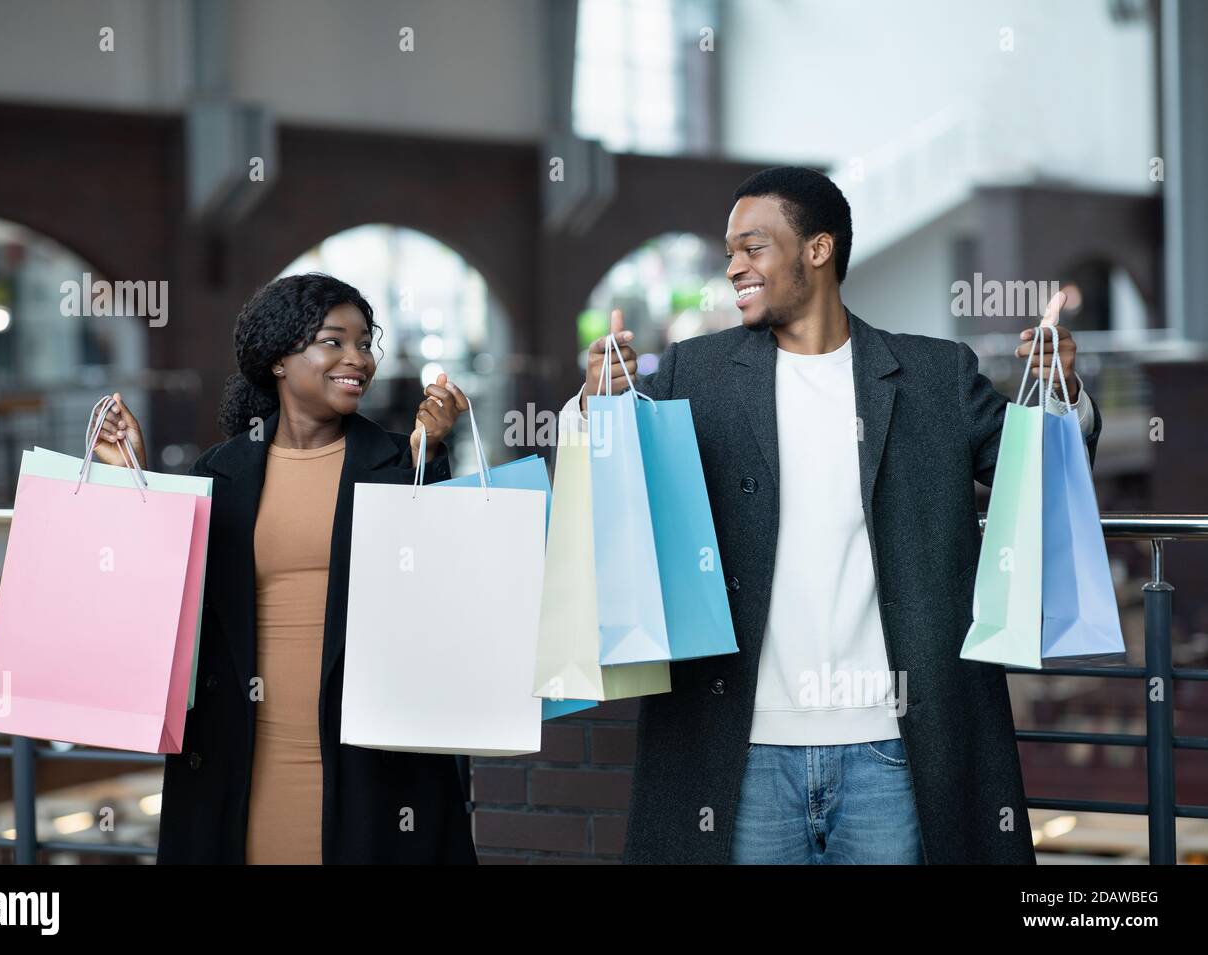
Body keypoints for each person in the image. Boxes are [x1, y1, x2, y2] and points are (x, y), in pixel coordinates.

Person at [562, 166, 1100, 864]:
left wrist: (1061, 395)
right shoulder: (693, 374)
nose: (733, 268)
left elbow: (1035, 477)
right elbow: (612, 493)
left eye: (752, 247)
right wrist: (593, 407)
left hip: (894, 749)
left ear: (817, 249)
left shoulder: (935, 375)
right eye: (729, 252)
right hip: (742, 750)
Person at [91, 272, 477, 864]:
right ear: (277, 359)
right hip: (238, 761)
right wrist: (131, 479)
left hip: (370, 766)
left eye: (364, 342)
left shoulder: (401, 460)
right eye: (334, 341)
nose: (359, 359)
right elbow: (169, 603)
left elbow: (429, 590)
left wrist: (426, 452)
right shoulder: (220, 470)